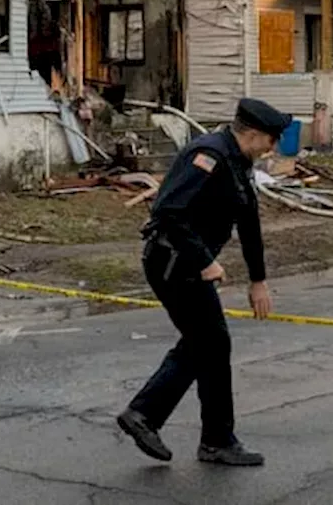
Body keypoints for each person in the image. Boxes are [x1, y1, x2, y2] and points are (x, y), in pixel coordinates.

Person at [116, 98, 291, 468]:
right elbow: (167, 212)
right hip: (173, 262)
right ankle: (206, 437)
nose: (273, 148)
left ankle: (165, 421)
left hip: (187, 264)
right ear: (254, 134)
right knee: (210, 342)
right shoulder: (207, 156)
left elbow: (249, 227)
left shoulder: (238, 163)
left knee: (205, 344)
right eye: (271, 140)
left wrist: (258, 281)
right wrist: (204, 260)